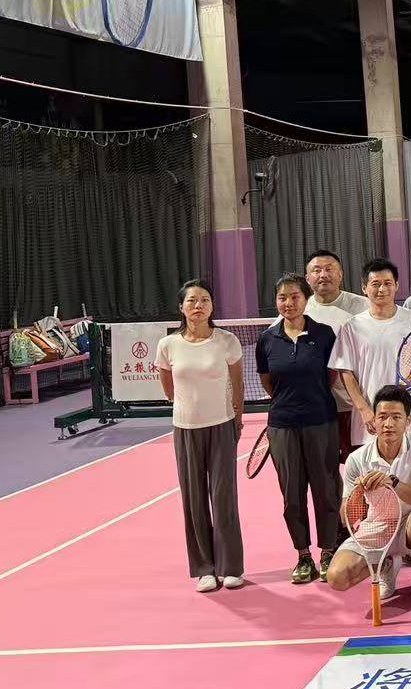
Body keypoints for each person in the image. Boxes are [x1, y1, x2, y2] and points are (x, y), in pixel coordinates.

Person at [156, 280, 246, 593]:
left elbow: (238, 384)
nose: (198, 306)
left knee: (223, 499)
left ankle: (230, 567)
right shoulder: (168, 345)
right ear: (181, 307)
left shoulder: (227, 341)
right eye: (192, 301)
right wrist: (186, 407)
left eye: (205, 300)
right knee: (193, 500)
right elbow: (168, 387)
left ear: (212, 306)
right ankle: (205, 569)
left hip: (222, 426)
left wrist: (237, 419)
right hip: (185, 430)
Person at [255, 274, 343, 584]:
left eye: (295, 297)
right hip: (282, 426)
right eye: (282, 297)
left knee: (326, 490)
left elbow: (331, 376)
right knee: (292, 495)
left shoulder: (324, 334)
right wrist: (288, 403)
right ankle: (303, 555)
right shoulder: (267, 339)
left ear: (306, 300)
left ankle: (328, 551)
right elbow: (268, 381)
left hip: (321, 421)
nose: (288, 303)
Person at [325, 385, 411, 613]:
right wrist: (358, 493)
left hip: (409, 524)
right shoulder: (356, 459)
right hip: (376, 527)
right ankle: (386, 563)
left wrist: (393, 482)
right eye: (382, 417)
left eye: (396, 417)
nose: (388, 424)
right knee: (337, 577)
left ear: (408, 421)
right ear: (374, 421)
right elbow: (347, 518)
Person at [329, 258, 411, 436]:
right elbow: (346, 372)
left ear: (396, 286)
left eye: (388, 283)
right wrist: (364, 410)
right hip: (369, 418)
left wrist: (404, 390)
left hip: (406, 413)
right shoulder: (351, 326)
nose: (382, 289)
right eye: (375, 284)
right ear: (364, 288)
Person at [302, 249, 369, 460]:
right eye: (317, 270)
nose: (323, 275)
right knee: (323, 469)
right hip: (317, 408)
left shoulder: (363, 306)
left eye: (329, 269)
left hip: (357, 407)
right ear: (307, 278)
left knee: (360, 468)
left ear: (340, 274)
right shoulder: (299, 309)